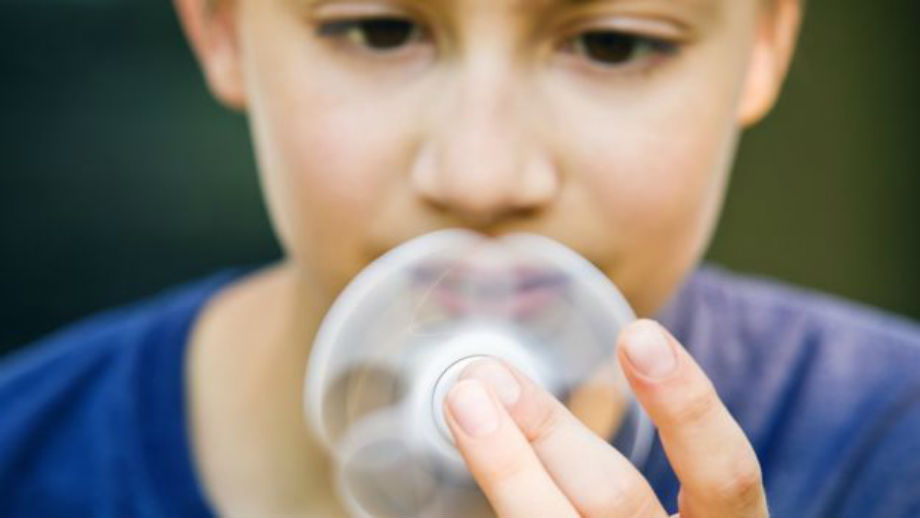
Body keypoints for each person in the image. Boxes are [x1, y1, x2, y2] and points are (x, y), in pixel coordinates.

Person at [2, 0, 919, 516]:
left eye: (613, 43)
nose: (484, 179)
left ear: (765, 45)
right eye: (380, 30)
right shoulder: (25, 462)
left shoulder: (892, 453)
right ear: (219, 26)